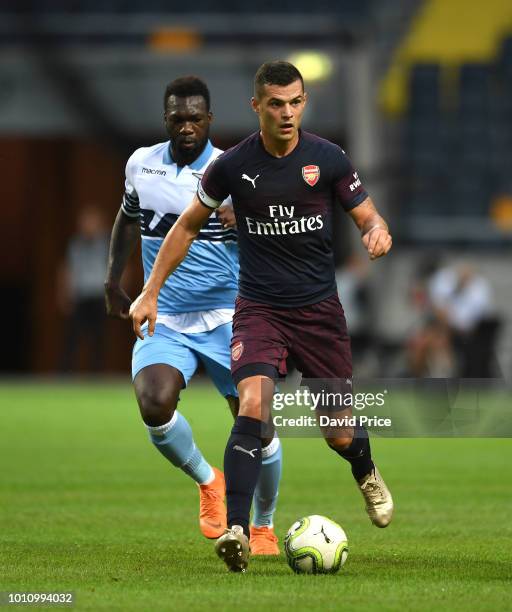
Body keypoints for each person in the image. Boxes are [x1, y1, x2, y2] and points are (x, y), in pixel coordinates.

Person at [129, 62, 394, 572]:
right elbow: (184, 228)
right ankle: (237, 528)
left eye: (295, 102)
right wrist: (150, 291)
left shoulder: (328, 158)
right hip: (258, 309)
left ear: (304, 102)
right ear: (257, 107)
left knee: (338, 432)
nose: (287, 113)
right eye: (276, 104)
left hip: (319, 313)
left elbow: (367, 213)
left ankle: (366, 472)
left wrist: (376, 231)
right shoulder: (231, 166)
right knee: (252, 404)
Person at [105, 76, 282, 555]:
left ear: (210, 120)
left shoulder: (235, 170)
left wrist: (246, 218)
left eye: (195, 118)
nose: (187, 126)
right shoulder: (142, 165)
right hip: (168, 317)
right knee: (154, 404)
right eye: (178, 118)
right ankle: (209, 481)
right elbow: (127, 216)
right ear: (167, 119)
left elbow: (280, 235)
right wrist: (113, 280)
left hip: (232, 315)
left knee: (257, 422)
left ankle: (263, 525)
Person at [58, 205, 109, 372]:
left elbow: (120, 269)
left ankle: (97, 373)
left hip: (99, 297)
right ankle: (66, 374)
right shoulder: (74, 245)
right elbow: (66, 269)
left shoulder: (106, 244)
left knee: (99, 339)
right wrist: (64, 294)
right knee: (72, 338)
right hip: (81, 297)